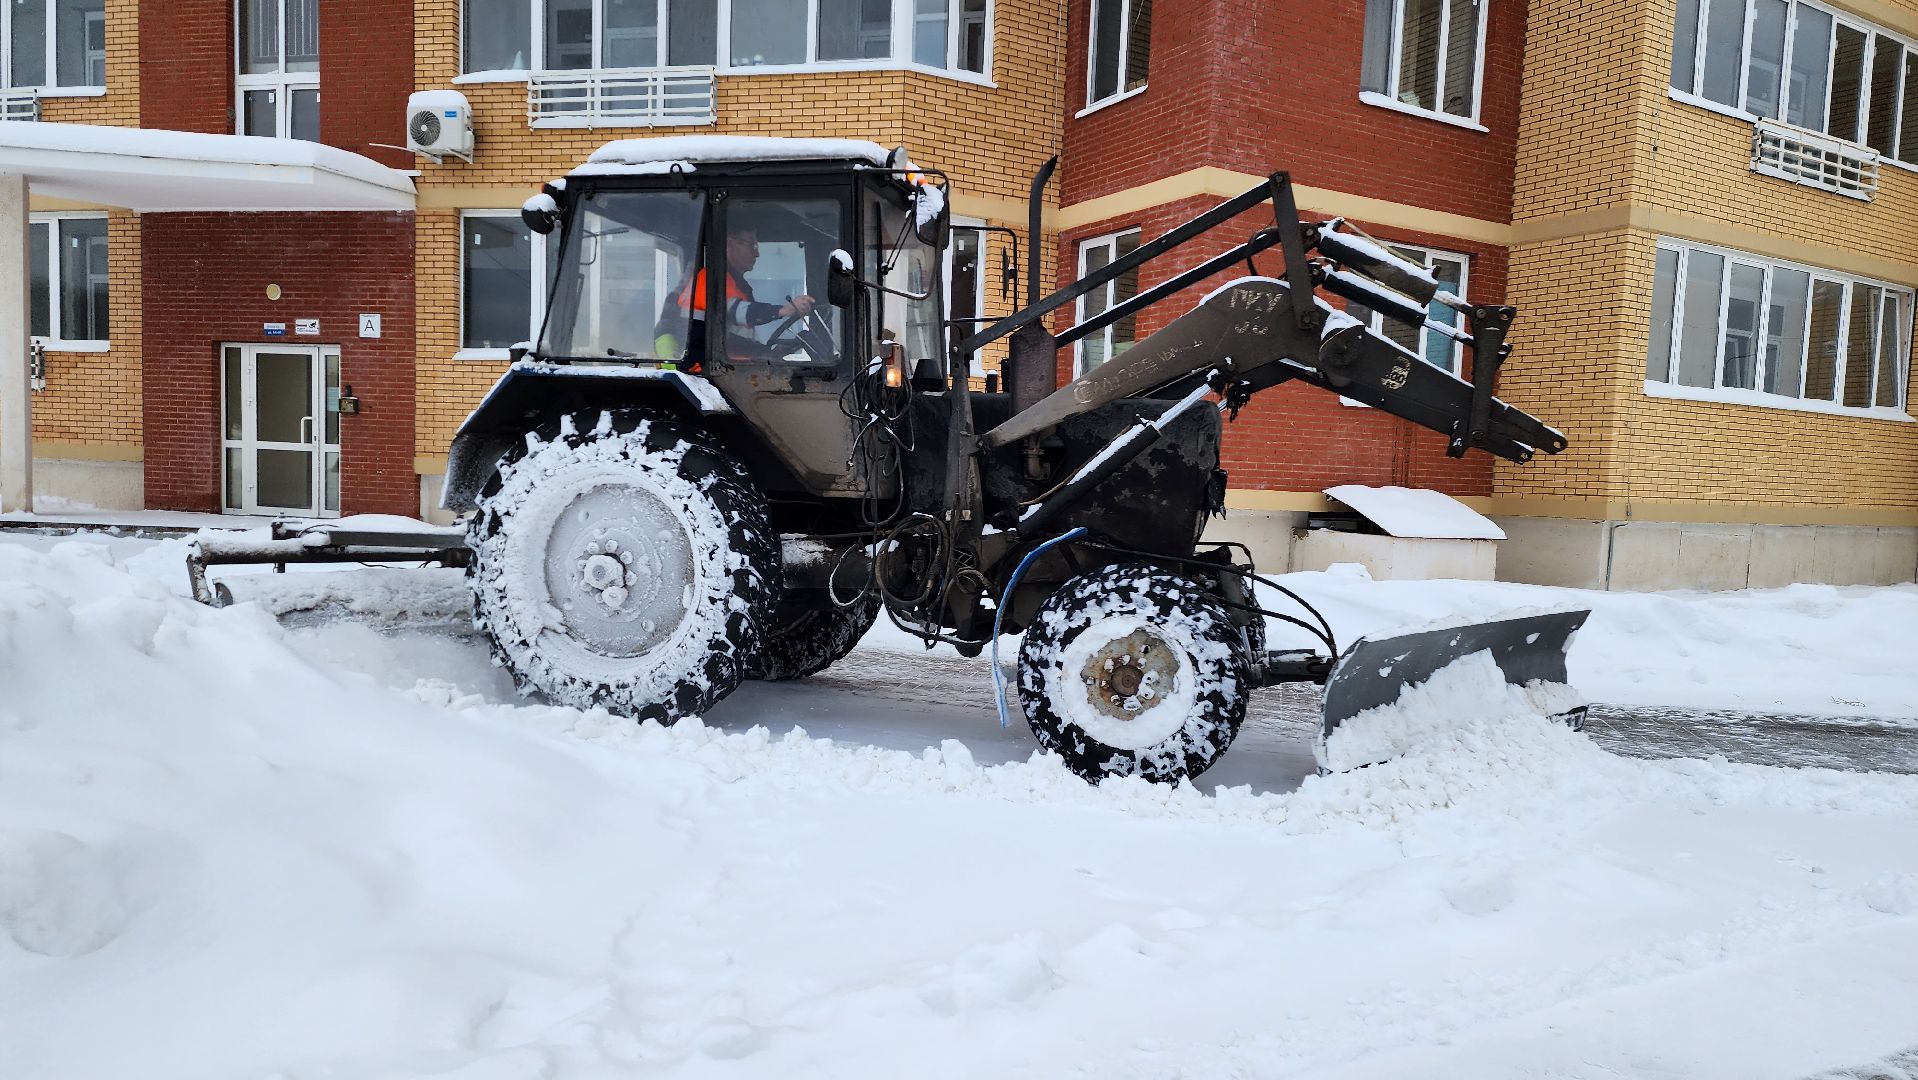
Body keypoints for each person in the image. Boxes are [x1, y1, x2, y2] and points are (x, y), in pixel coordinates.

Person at [655, 225, 816, 366]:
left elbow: (731, 340)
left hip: (730, 369)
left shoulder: (734, 284)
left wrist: (768, 353)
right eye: (752, 246)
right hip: (708, 371)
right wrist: (785, 310)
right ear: (730, 244)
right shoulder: (709, 279)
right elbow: (735, 311)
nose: (757, 254)